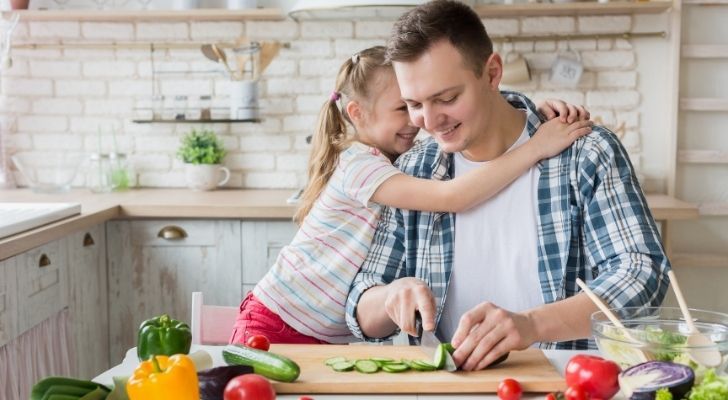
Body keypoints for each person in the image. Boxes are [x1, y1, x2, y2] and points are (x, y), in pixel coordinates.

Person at [346, 0, 670, 370]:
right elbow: (360, 306)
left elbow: (642, 273)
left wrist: (530, 325)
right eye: (413, 104)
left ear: (492, 73)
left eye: (447, 98)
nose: (430, 121)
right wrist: (390, 294)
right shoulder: (413, 171)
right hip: (447, 387)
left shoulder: (583, 152)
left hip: (565, 381)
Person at [229, 45, 592, 345]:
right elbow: (454, 197)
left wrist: (531, 116)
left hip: (320, 334)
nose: (421, 120)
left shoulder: (400, 161)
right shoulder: (361, 164)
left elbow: (484, 119)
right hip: (276, 324)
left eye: (419, 104)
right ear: (357, 112)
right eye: (405, 107)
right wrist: (534, 148)